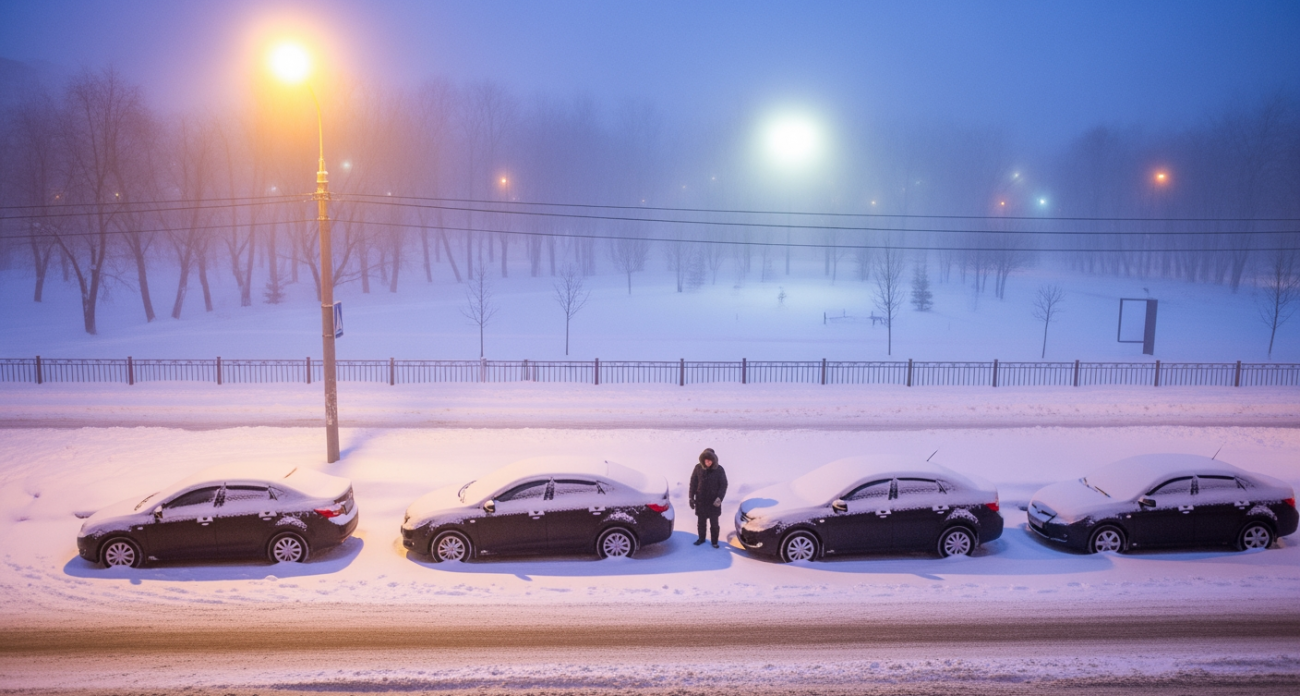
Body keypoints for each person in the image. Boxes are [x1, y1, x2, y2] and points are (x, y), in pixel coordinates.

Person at [689, 447, 728, 548]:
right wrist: (691, 498)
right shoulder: (698, 468)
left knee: (714, 523)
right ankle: (701, 539)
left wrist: (719, 499)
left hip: (714, 502)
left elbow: (723, 485)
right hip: (701, 501)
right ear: (703, 460)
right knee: (701, 522)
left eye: (710, 460)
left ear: (714, 460)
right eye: (706, 460)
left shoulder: (719, 469)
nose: (708, 462)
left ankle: (714, 541)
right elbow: (693, 483)